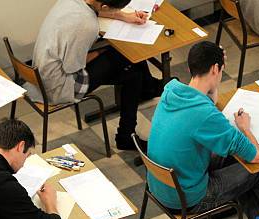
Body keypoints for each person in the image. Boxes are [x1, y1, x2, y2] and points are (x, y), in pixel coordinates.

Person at [148, 41, 259, 219]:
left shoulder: (172, 90)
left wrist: (213, 77)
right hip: (187, 198)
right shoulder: (204, 114)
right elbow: (255, 156)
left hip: (161, 185)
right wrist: (245, 128)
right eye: (220, 70)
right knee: (258, 171)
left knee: (238, 166)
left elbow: (209, 103)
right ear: (215, 69)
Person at [30, 0, 162, 151]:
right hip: (61, 85)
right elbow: (73, 66)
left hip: (42, 71)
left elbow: (97, 9)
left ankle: (148, 88)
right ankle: (126, 135)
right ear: (104, 6)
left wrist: (125, 16)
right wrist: (101, 51)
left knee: (129, 61)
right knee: (131, 67)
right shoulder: (87, 25)